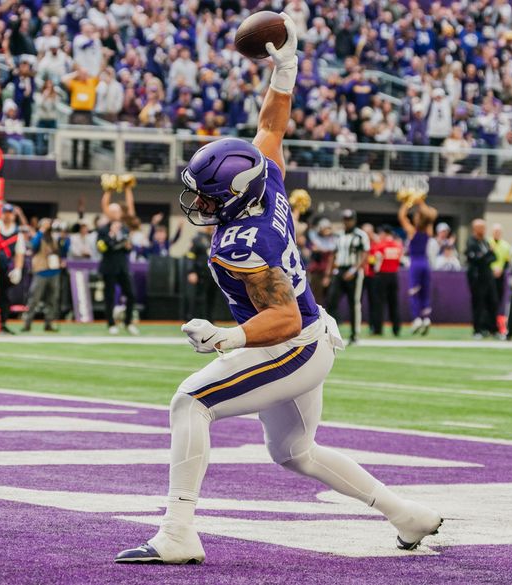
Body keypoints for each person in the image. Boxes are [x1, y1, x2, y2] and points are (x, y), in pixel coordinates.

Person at [116, 14, 441, 565]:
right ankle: (406, 514)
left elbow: (282, 319)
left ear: (235, 198)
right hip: (308, 335)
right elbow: (271, 125)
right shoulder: (263, 178)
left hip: (291, 343)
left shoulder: (245, 241)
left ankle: (177, 532)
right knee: (295, 452)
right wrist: (285, 66)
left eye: (210, 199)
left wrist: (227, 337)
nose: (202, 207)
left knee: (190, 403)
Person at [326, 209, 369, 345]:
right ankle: (331, 333)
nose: (347, 221)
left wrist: (354, 270)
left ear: (354, 220)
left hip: (354, 271)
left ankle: (354, 335)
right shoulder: (338, 235)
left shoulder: (361, 235)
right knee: (332, 301)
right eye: (345, 219)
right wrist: (329, 274)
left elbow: (365, 254)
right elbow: (333, 255)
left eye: (349, 219)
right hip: (340, 270)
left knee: (354, 303)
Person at [97, 203, 137, 335]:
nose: (115, 214)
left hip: (122, 267)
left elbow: (128, 248)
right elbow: (101, 248)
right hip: (109, 267)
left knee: (130, 294)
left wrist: (128, 246)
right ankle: (111, 323)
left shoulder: (124, 228)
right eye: (112, 211)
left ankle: (128, 322)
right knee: (110, 296)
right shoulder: (103, 229)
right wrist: (112, 235)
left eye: (117, 211)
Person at [398, 198, 437, 335]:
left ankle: (416, 319)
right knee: (425, 292)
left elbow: (401, 216)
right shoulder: (428, 231)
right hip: (426, 263)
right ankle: (426, 318)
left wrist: (408, 202)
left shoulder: (412, 231)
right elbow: (431, 215)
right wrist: (421, 203)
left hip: (415, 263)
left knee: (414, 293)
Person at [22, 218, 67, 333]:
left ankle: (49, 323)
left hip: (54, 271)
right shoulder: (39, 237)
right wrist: (42, 230)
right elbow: (33, 245)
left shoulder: (55, 238)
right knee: (34, 298)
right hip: (41, 271)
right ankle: (27, 323)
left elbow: (64, 248)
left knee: (52, 299)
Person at [368, 225, 403, 336]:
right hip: (394, 276)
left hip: (382, 276)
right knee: (394, 303)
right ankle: (396, 329)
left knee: (379, 303)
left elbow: (372, 260)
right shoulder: (397, 245)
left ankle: (378, 329)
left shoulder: (379, 246)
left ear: (384, 233)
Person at [465, 219, 497, 339]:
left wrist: (485, 256)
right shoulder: (471, 241)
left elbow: (493, 257)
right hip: (477, 278)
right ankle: (477, 330)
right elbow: (475, 260)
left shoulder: (485, 241)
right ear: (475, 229)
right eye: (481, 228)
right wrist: (486, 256)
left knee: (492, 302)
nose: (483, 230)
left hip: (488, 276)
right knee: (478, 304)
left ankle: (492, 329)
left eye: (484, 227)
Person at [0, 203, 26, 334]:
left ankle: (2, 323)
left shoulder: (16, 233)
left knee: (4, 297)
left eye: (9, 213)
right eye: (5, 213)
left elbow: (19, 253)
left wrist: (18, 269)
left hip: (5, 269)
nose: (7, 216)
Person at [305, 218, 337, 306]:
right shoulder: (314, 236)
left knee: (326, 298)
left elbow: (330, 255)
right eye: (325, 228)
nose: (327, 231)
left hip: (327, 272)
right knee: (315, 296)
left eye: (328, 228)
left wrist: (327, 276)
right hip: (316, 272)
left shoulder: (332, 239)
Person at [489, 224, 511, 336]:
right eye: (495, 231)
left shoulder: (506, 245)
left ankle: (495, 327)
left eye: (499, 231)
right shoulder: (488, 243)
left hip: (500, 276)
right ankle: (486, 326)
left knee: (497, 301)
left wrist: (501, 270)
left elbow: (507, 261)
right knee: (488, 302)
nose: (497, 233)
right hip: (489, 275)